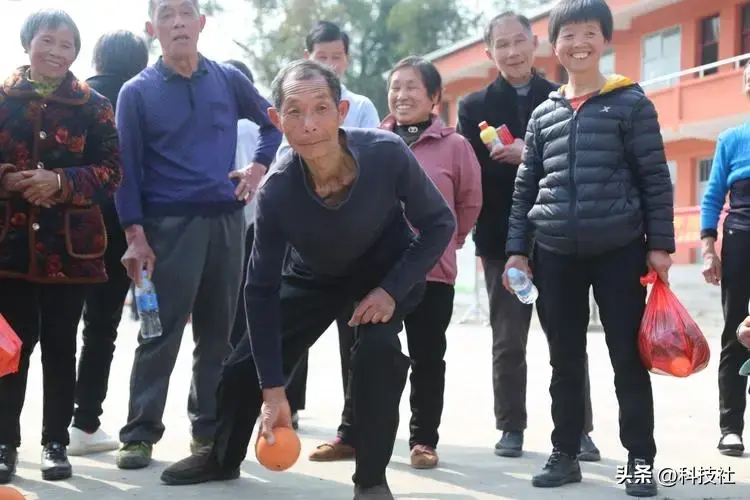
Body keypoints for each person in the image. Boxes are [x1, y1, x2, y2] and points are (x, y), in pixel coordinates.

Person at [159, 59, 456, 500]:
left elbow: (439, 224)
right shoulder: (278, 190)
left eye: (320, 108)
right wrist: (273, 391)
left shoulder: (386, 153)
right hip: (313, 275)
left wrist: (391, 290)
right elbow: (258, 290)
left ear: (340, 110)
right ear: (277, 121)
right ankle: (221, 458)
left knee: (377, 355)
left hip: (382, 275)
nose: (310, 124)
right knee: (244, 365)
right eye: (294, 112)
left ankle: (371, 480)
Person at [504, 0, 674, 496]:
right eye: (568, 35)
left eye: (588, 34)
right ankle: (565, 452)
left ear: (604, 39)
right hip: (555, 251)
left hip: (619, 247)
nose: (578, 44)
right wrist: (518, 249)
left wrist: (659, 245)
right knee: (564, 359)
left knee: (626, 356)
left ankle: (640, 460)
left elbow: (654, 179)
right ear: (554, 46)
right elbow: (525, 187)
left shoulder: (631, 104)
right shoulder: (544, 114)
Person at [114, 0, 282, 470]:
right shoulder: (137, 91)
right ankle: (139, 433)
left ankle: (208, 432)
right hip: (168, 228)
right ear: (153, 29)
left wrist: (257, 166)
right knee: (158, 333)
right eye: (167, 14)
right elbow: (125, 169)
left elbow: (274, 121)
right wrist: (135, 234)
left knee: (218, 337)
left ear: (202, 23)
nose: (178, 22)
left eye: (186, 12)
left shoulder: (227, 78)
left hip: (227, 223)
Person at [312, 56, 481, 469]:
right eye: (395, 87)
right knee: (363, 353)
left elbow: (469, 203)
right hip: (374, 272)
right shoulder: (367, 140)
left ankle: (422, 440)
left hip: (432, 274)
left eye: (412, 87)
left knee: (427, 356)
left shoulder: (455, 146)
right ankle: (351, 433)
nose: (401, 95)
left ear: (434, 98)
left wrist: (445, 245)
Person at [456, 11, 599, 460]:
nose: (513, 52)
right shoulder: (473, 107)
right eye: (502, 44)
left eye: (520, 41)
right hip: (500, 239)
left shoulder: (563, 96)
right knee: (508, 338)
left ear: (535, 43)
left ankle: (578, 431)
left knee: (567, 337)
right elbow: (470, 174)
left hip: (559, 235)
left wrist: (526, 154)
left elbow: (580, 165)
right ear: (489, 52)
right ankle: (511, 426)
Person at [0, 9, 122, 483]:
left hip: (70, 250)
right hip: (10, 247)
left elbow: (113, 170)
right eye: (47, 41)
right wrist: (11, 180)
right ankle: (5, 442)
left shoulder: (94, 104)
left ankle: (55, 441)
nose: (56, 52)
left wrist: (60, 180)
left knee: (59, 344)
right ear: (28, 42)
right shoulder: (4, 98)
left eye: (66, 45)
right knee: (12, 349)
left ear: (76, 52)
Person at [280, 20, 381, 430]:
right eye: (321, 57)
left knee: (352, 328)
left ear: (347, 60)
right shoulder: (292, 103)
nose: (329, 64)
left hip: (350, 235)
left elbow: (369, 167)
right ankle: (288, 403)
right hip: (302, 232)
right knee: (292, 321)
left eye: (336, 57)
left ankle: (353, 417)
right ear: (308, 58)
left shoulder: (359, 107)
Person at [68, 29, 150, 458]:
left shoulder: (75, 96)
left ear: (96, 59)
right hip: (123, 230)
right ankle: (83, 424)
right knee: (101, 330)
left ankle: (38, 428)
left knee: (54, 329)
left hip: (67, 229)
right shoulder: (143, 97)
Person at [700, 62, 750, 457]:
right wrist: (707, 248)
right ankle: (730, 426)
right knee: (738, 331)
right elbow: (714, 195)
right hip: (740, 241)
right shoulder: (732, 140)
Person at [223, 59, 261, 348]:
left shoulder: (221, 124)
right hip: (260, 227)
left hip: (226, 227)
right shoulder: (262, 124)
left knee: (226, 317)